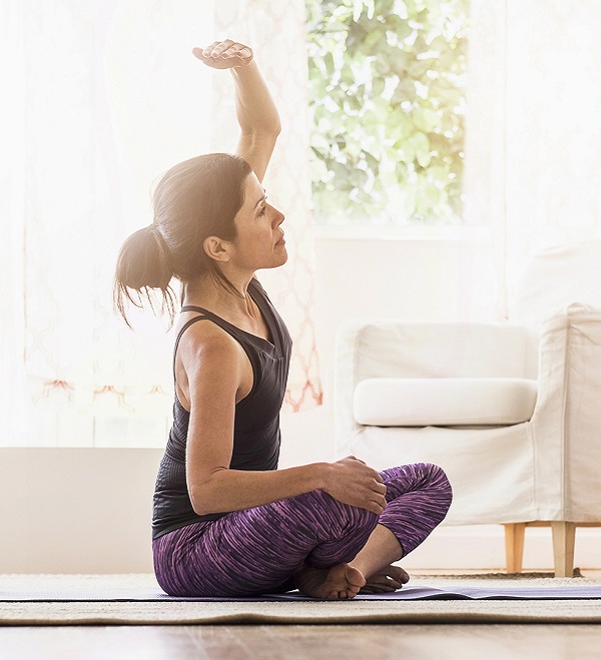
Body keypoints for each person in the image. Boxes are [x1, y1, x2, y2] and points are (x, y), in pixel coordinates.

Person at [114, 40, 452, 599]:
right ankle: (313, 566)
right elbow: (207, 490)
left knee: (425, 484)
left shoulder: (236, 279)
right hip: (195, 551)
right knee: (332, 498)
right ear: (218, 246)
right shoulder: (211, 344)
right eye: (260, 210)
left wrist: (243, 68)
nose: (278, 214)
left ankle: (344, 575)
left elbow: (260, 133)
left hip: (253, 531)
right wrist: (321, 474)